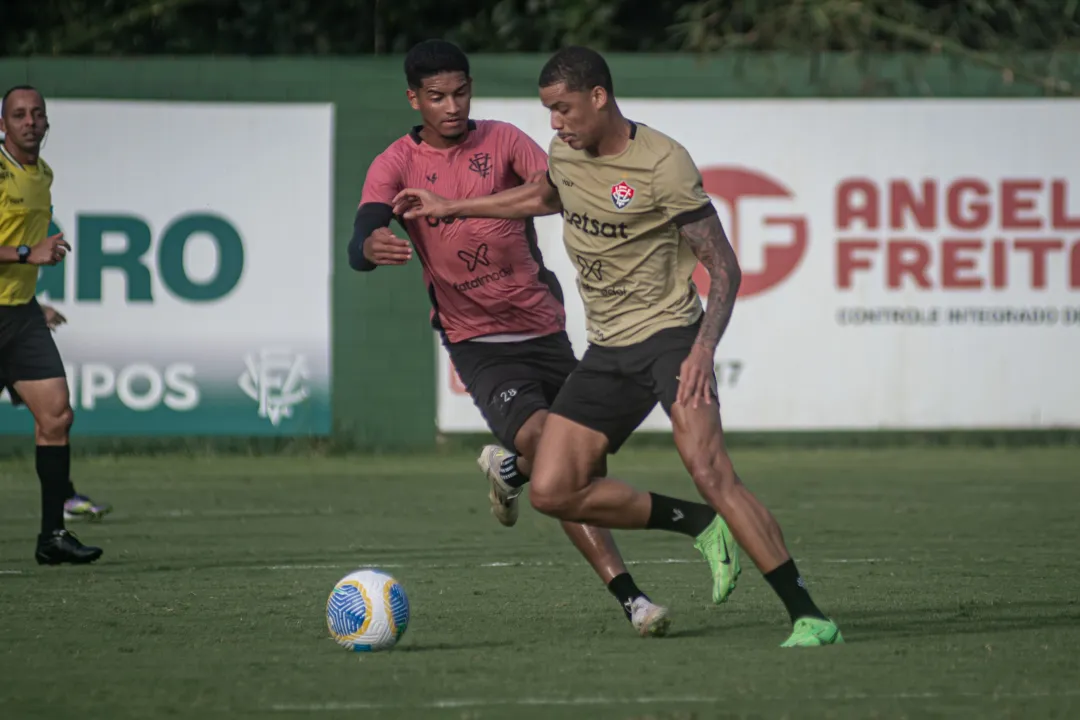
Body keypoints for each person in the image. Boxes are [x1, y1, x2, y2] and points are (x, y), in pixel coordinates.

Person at [392, 47, 843, 647]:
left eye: (563, 109)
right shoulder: (564, 153)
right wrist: (452, 206)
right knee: (553, 489)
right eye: (548, 111)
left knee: (711, 470)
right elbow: (544, 199)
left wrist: (702, 351)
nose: (554, 123)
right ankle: (702, 528)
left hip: (669, 340)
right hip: (606, 352)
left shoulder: (663, 163)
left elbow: (725, 268)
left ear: (599, 97)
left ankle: (809, 615)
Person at [348, 40, 740, 636]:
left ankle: (512, 471)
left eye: (461, 92)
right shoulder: (395, 162)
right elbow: (364, 232)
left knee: (577, 473)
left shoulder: (504, 140)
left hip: (545, 328)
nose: (452, 106)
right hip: (478, 343)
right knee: (547, 446)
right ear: (414, 99)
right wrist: (370, 247)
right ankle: (636, 596)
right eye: (437, 96)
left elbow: (559, 185)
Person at [0, 85, 103, 564]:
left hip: (19, 314)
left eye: (37, 114)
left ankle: (52, 537)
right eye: (18, 115)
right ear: (3, 125)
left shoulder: (42, 175)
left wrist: (32, 298)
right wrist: (28, 252)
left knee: (57, 416)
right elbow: (23, 247)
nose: (29, 122)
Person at [3, 303, 113, 522]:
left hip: (19, 320)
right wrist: (27, 265)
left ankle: (60, 511)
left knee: (56, 418)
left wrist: (31, 306)